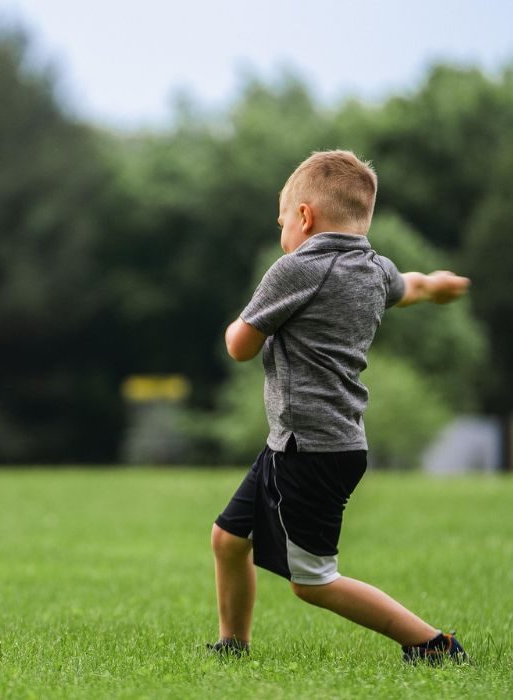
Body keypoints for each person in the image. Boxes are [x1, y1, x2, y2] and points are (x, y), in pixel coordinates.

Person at [209, 150, 471, 664]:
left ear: (304, 216)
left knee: (313, 581)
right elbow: (411, 286)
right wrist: (437, 285)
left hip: (308, 448)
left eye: (283, 219)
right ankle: (231, 645)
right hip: (309, 442)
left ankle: (433, 644)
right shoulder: (373, 268)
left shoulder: (298, 267)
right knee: (228, 538)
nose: (282, 228)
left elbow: (239, 345)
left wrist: (237, 324)